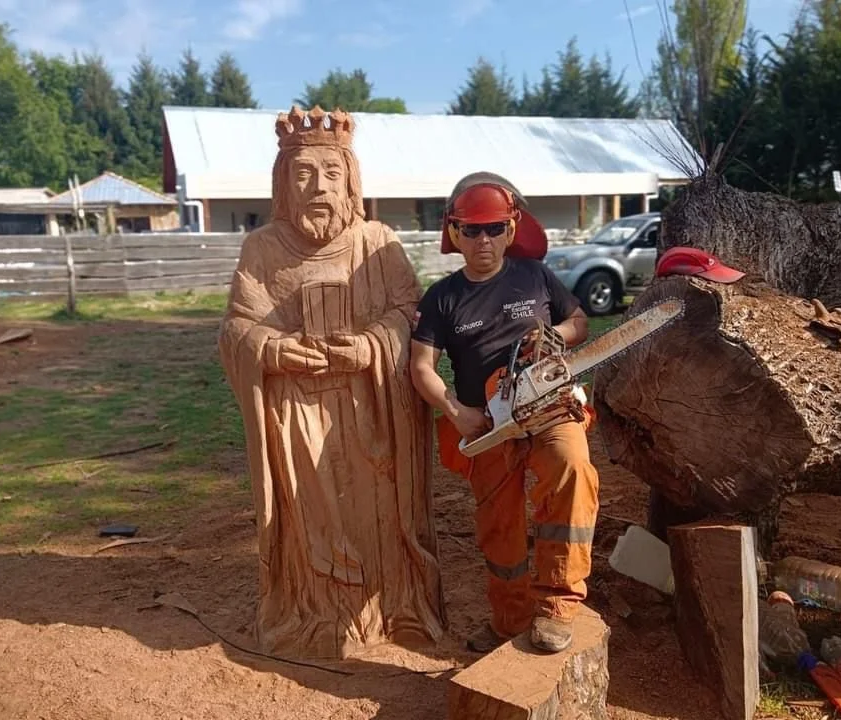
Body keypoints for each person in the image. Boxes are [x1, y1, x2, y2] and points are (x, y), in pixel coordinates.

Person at [218, 106, 445, 659]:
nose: (318, 187)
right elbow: (236, 328)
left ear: (351, 181)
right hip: (297, 415)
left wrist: (370, 346)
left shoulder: (378, 241)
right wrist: (272, 348)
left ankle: (390, 610)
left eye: (331, 174)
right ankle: (313, 614)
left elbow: (410, 314)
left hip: (372, 408)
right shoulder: (263, 249)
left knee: (379, 513)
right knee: (312, 518)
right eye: (303, 174)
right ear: (283, 183)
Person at [409, 171, 601, 654]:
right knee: (499, 524)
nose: (483, 240)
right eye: (471, 230)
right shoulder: (442, 297)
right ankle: (510, 618)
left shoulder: (535, 276)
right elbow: (421, 367)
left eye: (494, 228)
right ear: (454, 232)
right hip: (489, 422)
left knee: (572, 469)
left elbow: (579, 321)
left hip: (549, 406)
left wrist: (558, 335)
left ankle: (558, 604)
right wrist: (455, 412)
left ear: (512, 228)